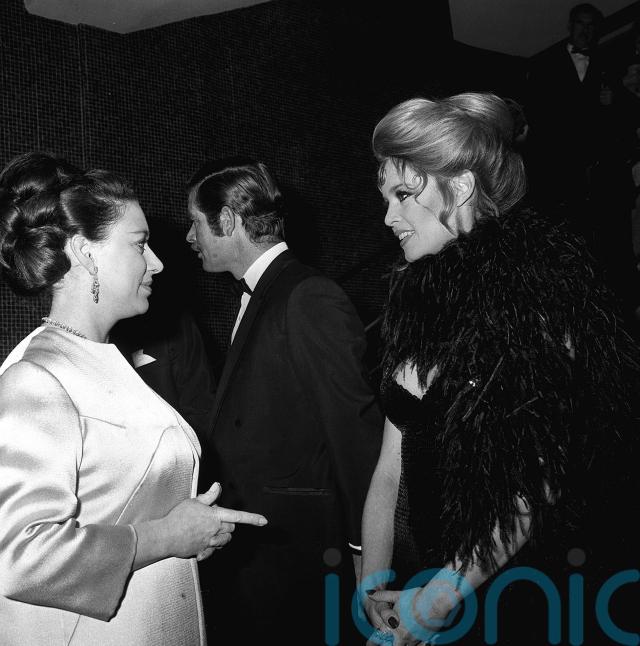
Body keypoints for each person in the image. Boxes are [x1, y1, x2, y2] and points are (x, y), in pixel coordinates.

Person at [360, 94, 640, 645]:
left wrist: (434, 603)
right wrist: (373, 584)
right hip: (429, 582)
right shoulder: (415, 305)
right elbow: (390, 468)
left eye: (403, 195)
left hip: (515, 594)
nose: (388, 217)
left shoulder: (536, 300)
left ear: (461, 187)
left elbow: (532, 487)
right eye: (385, 197)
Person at [0, 152, 267, 645]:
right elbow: (21, 557)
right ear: (84, 252)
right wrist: (168, 535)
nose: (158, 263)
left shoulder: (100, 358)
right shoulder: (36, 377)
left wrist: (189, 532)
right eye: (140, 244)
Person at [185, 157, 382, 644]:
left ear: (226, 220)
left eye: (195, 223)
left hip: (301, 559)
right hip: (264, 558)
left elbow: (356, 436)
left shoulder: (308, 296)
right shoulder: (266, 294)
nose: (190, 237)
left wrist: (368, 555)